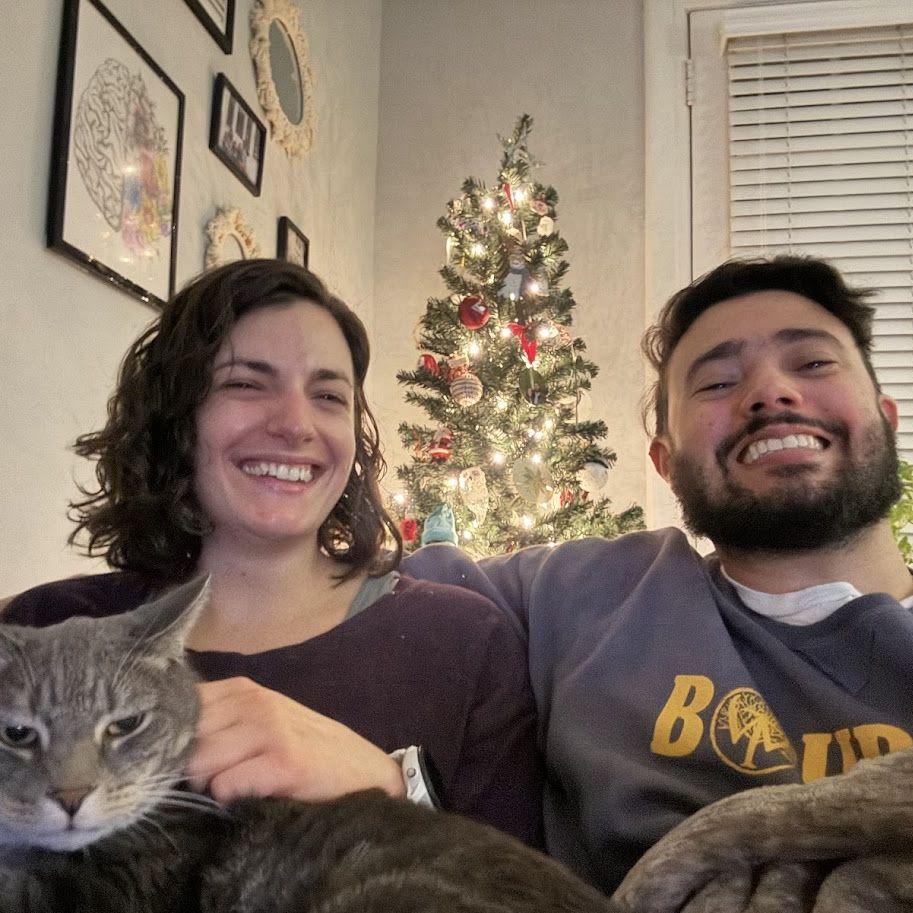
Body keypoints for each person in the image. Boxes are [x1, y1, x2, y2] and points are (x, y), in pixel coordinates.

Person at [402, 255, 913, 894]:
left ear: (886, 418)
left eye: (812, 363)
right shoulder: (586, 593)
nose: (770, 392)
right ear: (666, 463)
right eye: (718, 382)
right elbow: (366, 592)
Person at [3, 259, 543, 846]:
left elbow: (527, 885)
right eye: (246, 384)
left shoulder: (466, 642)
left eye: (329, 395)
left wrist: (395, 791)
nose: (295, 424)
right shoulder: (40, 629)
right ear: (176, 418)